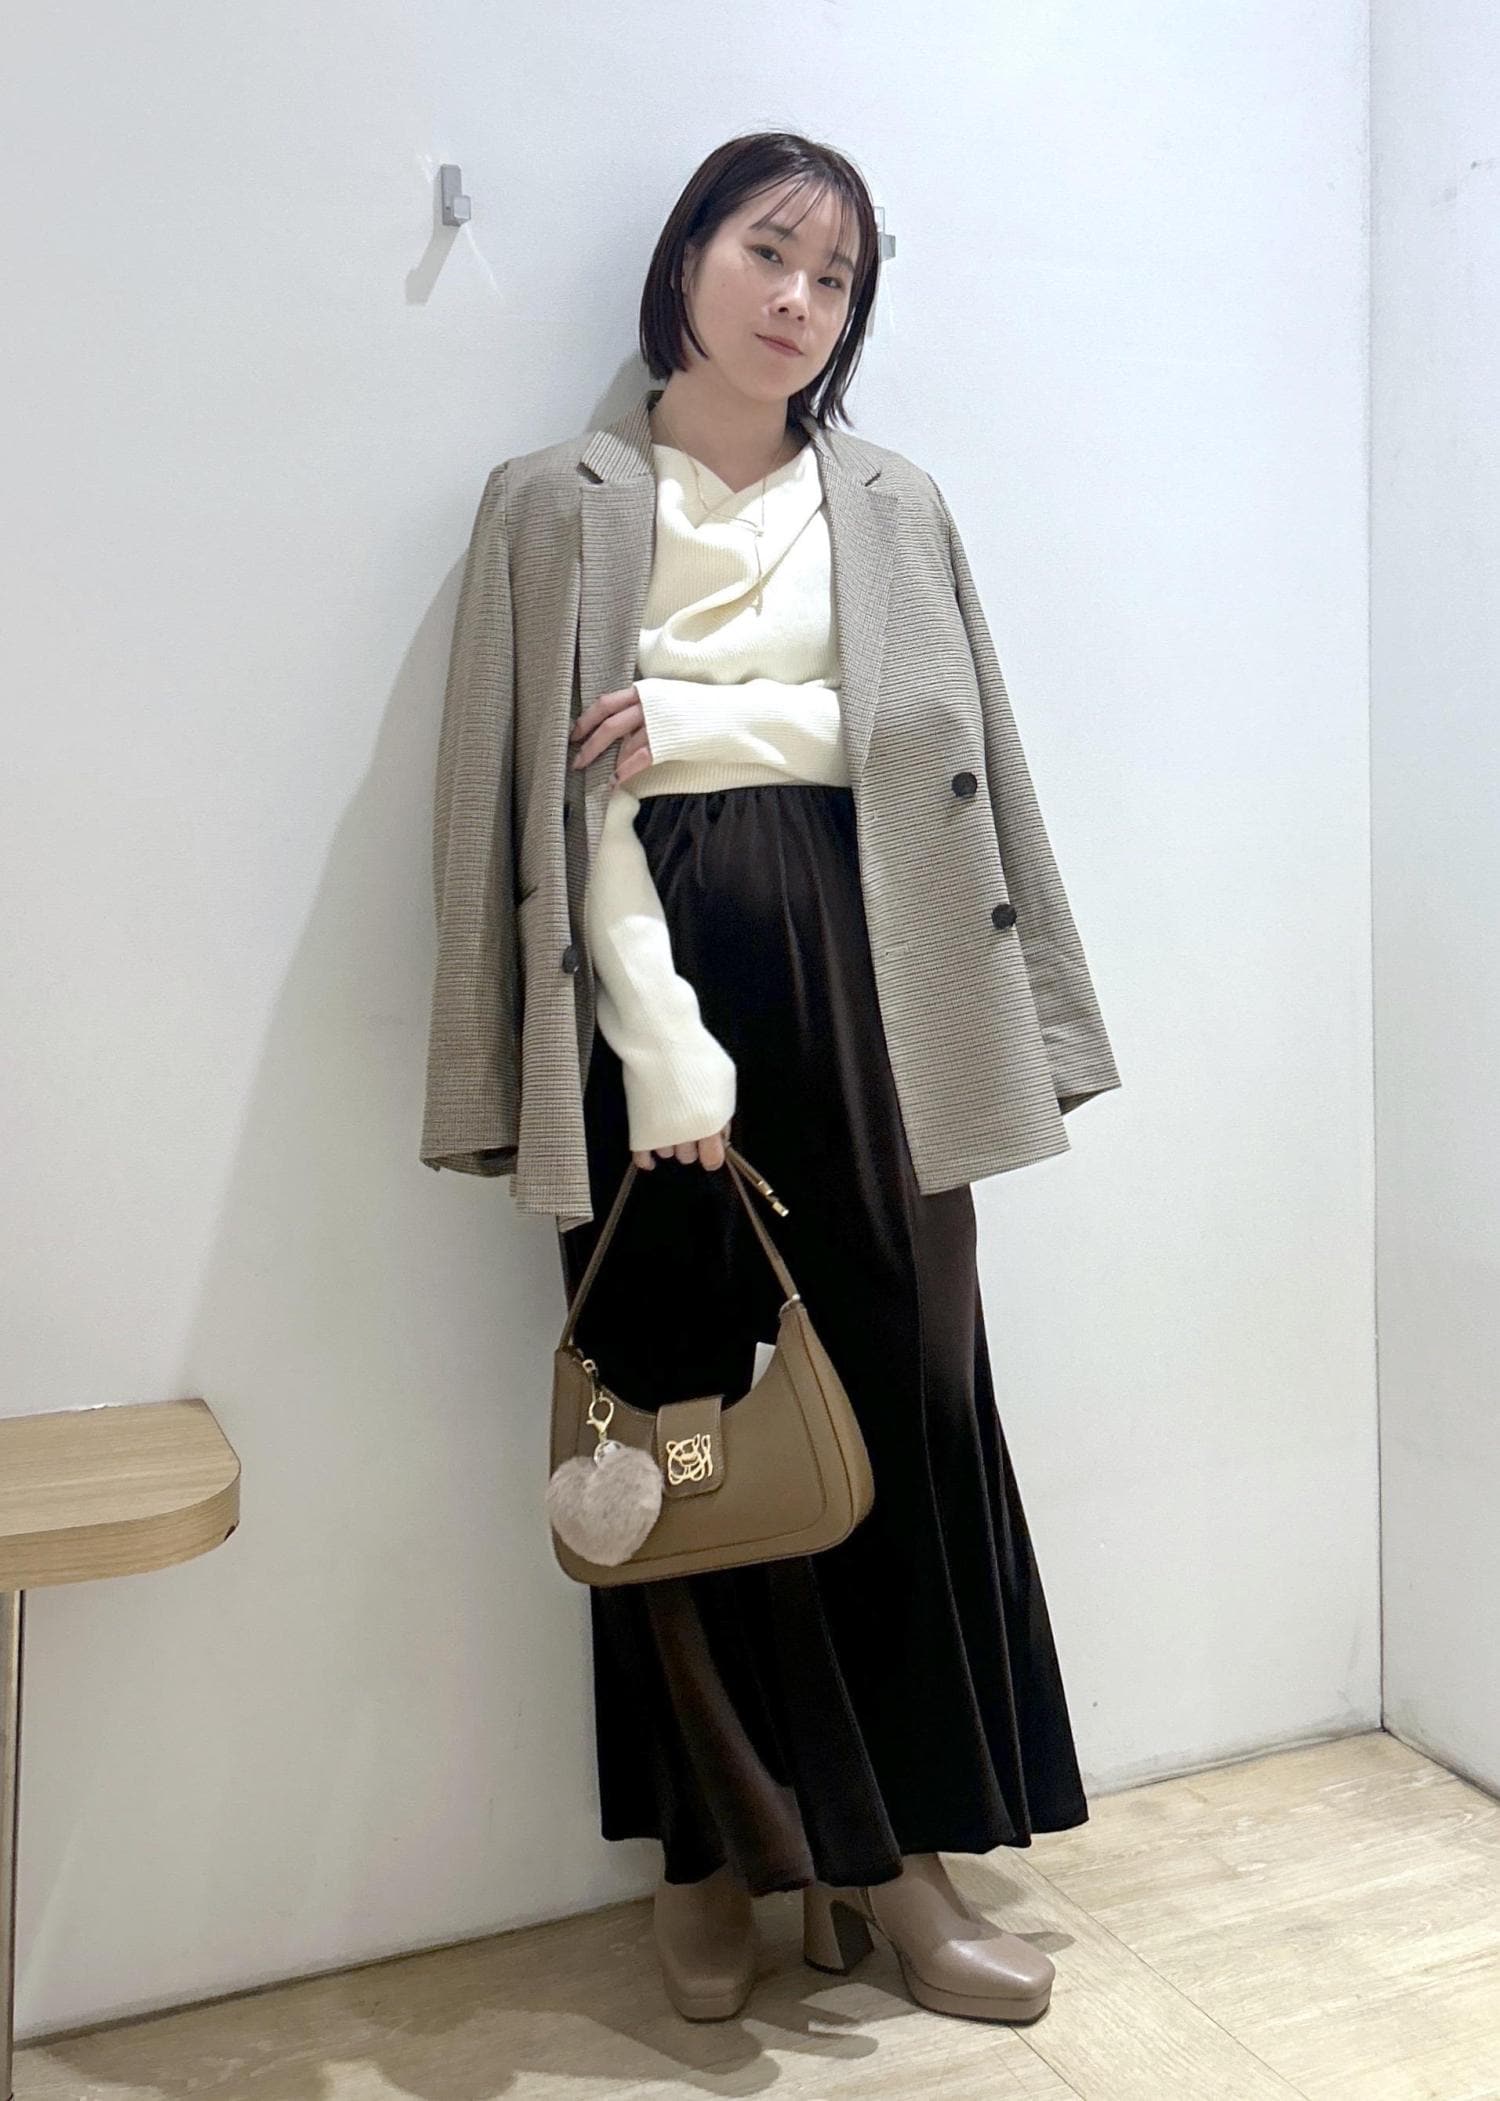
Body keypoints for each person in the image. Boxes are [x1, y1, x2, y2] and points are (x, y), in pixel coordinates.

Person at [422, 130, 1121, 2029]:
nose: (799, 301)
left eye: (837, 279)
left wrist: (705, 713)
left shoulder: (889, 503)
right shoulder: (557, 504)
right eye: (769, 254)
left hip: (885, 1003)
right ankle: (713, 1852)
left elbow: (933, 734)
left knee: (905, 1409)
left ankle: (903, 1862)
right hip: (652, 1016)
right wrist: (662, 1047)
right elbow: (552, 801)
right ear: (688, 262)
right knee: (672, 1440)